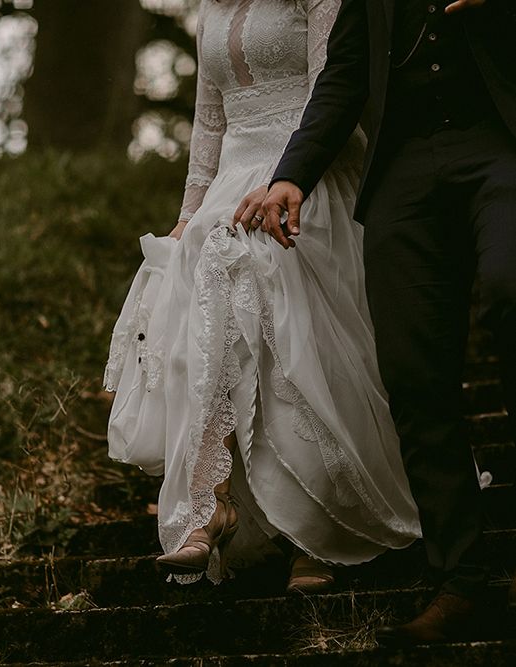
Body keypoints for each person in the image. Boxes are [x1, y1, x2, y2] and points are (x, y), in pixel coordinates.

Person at [103, 0, 421, 591]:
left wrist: (289, 178)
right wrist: (186, 216)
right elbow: (210, 122)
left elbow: (338, 86)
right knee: (207, 271)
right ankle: (212, 501)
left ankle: (316, 535)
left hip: (309, 171)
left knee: (265, 290)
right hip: (231, 178)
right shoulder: (211, 8)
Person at [261, 0, 516, 644]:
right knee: (410, 368)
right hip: (405, 171)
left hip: (500, 148)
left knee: (510, 293)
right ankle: (463, 580)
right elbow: (345, 75)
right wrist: (293, 174)